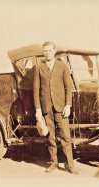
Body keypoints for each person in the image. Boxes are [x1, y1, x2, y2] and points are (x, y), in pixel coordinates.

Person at [33, 41, 79, 174]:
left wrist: (68, 105)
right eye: (45, 51)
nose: (47, 53)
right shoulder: (38, 67)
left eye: (49, 50)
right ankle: (53, 163)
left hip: (61, 108)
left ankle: (70, 165)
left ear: (54, 51)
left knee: (66, 137)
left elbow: (68, 87)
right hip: (46, 109)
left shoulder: (62, 66)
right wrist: (38, 109)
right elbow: (36, 91)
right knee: (50, 137)